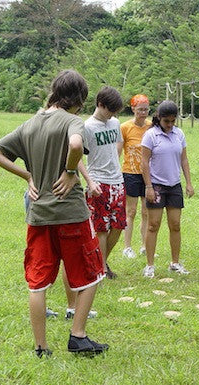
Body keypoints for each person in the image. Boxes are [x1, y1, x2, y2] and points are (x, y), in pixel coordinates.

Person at [0, 69, 108, 357]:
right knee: (92, 274)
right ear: (79, 97)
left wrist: (27, 175)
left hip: (38, 214)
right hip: (71, 214)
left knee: (37, 282)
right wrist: (69, 172)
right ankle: (78, 336)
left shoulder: (29, 124)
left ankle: (41, 347)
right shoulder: (72, 121)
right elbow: (76, 144)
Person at [141, 100, 194, 278]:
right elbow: (144, 163)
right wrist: (148, 186)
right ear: (159, 118)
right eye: (166, 121)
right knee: (153, 225)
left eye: (173, 121)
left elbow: (184, 160)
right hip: (156, 185)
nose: (170, 125)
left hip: (174, 185)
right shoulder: (151, 135)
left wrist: (188, 182)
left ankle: (175, 262)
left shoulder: (179, 134)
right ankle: (149, 265)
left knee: (176, 225)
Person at [24, 191, 97, 320]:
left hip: (39, 203)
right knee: (78, 265)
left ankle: (41, 339)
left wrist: (28, 178)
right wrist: (71, 172)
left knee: (39, 275)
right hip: (66, 205)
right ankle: (76, 323)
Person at [78, 86, 125, 280]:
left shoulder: (114, 123)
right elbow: (76, 157)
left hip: (117, 181)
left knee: (119, 225)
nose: (112, 114)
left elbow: (120, 142)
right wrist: (89, 181)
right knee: (101, 228)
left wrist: (115, 158)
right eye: (110, 110)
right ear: (100, 104)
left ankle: (102, 262)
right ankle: (101, 269)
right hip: (98, 182)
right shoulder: (87, 127)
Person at [120, 94, 152, 259]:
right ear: (133, 109)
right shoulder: (125, 127)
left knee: (146, 211)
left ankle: (145, 246)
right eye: (140, 109)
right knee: (130, 211)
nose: (143, 113)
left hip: (147, 174)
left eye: (146, 109)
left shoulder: (151, 127)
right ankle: (127, 247)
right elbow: (119, 150)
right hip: (130, 173)